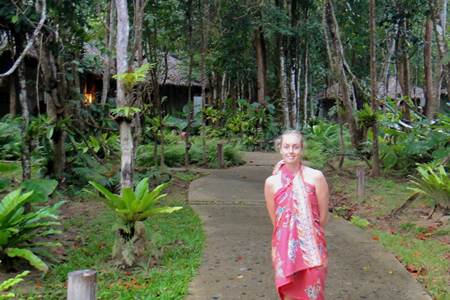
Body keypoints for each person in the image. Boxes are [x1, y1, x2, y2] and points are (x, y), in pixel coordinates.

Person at [264, 130, 329, 300]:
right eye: (286, 146)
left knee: (313, 292)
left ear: (301, 149)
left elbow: (322, 217)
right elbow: (276, 220)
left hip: (313, 248)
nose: (290, 151)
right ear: (280, 149)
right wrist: (290, 237)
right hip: (284, 248)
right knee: (289, 294)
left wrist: (306, 236)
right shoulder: (272, 182)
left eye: (295, 147)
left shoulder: (316, 177)